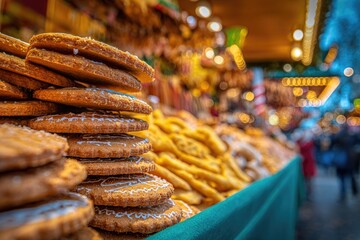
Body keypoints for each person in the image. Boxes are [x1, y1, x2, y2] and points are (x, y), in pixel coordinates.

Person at [331, 124, 358, 200]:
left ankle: (343, 193)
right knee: (349, 176)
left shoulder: (339, 136)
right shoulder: (351, 137)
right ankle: (352, 191)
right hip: (349, 161)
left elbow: (333, 142)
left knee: (342, 178)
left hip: (342, 161)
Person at [296, 130, 317, 200]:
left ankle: (308, 194)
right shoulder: (303, 143)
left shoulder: (308, 144)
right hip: (305, 165)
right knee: (306, 181)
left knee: (308, 181)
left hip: (307, 166)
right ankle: (306, 193)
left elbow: (301, 148)